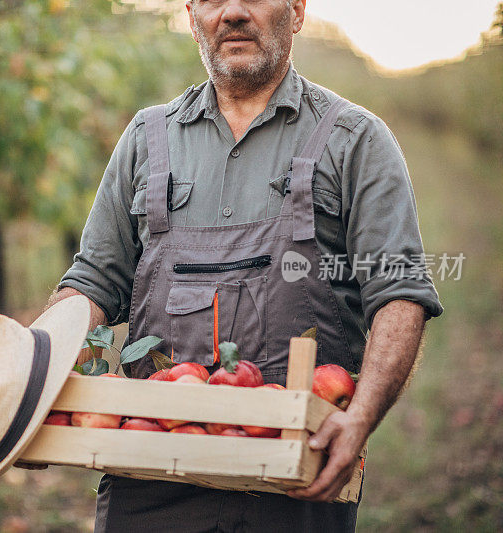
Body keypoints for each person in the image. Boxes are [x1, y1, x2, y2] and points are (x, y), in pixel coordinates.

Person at [46, 0, 444, 531]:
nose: (232, 11)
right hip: (149, 479)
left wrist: (361, 417)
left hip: (297, 477)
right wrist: (32, 371)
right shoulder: (148, 140)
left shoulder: (356, 141)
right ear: (191, 15)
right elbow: (92, 284)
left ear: (298, 10)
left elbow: (399, 293)